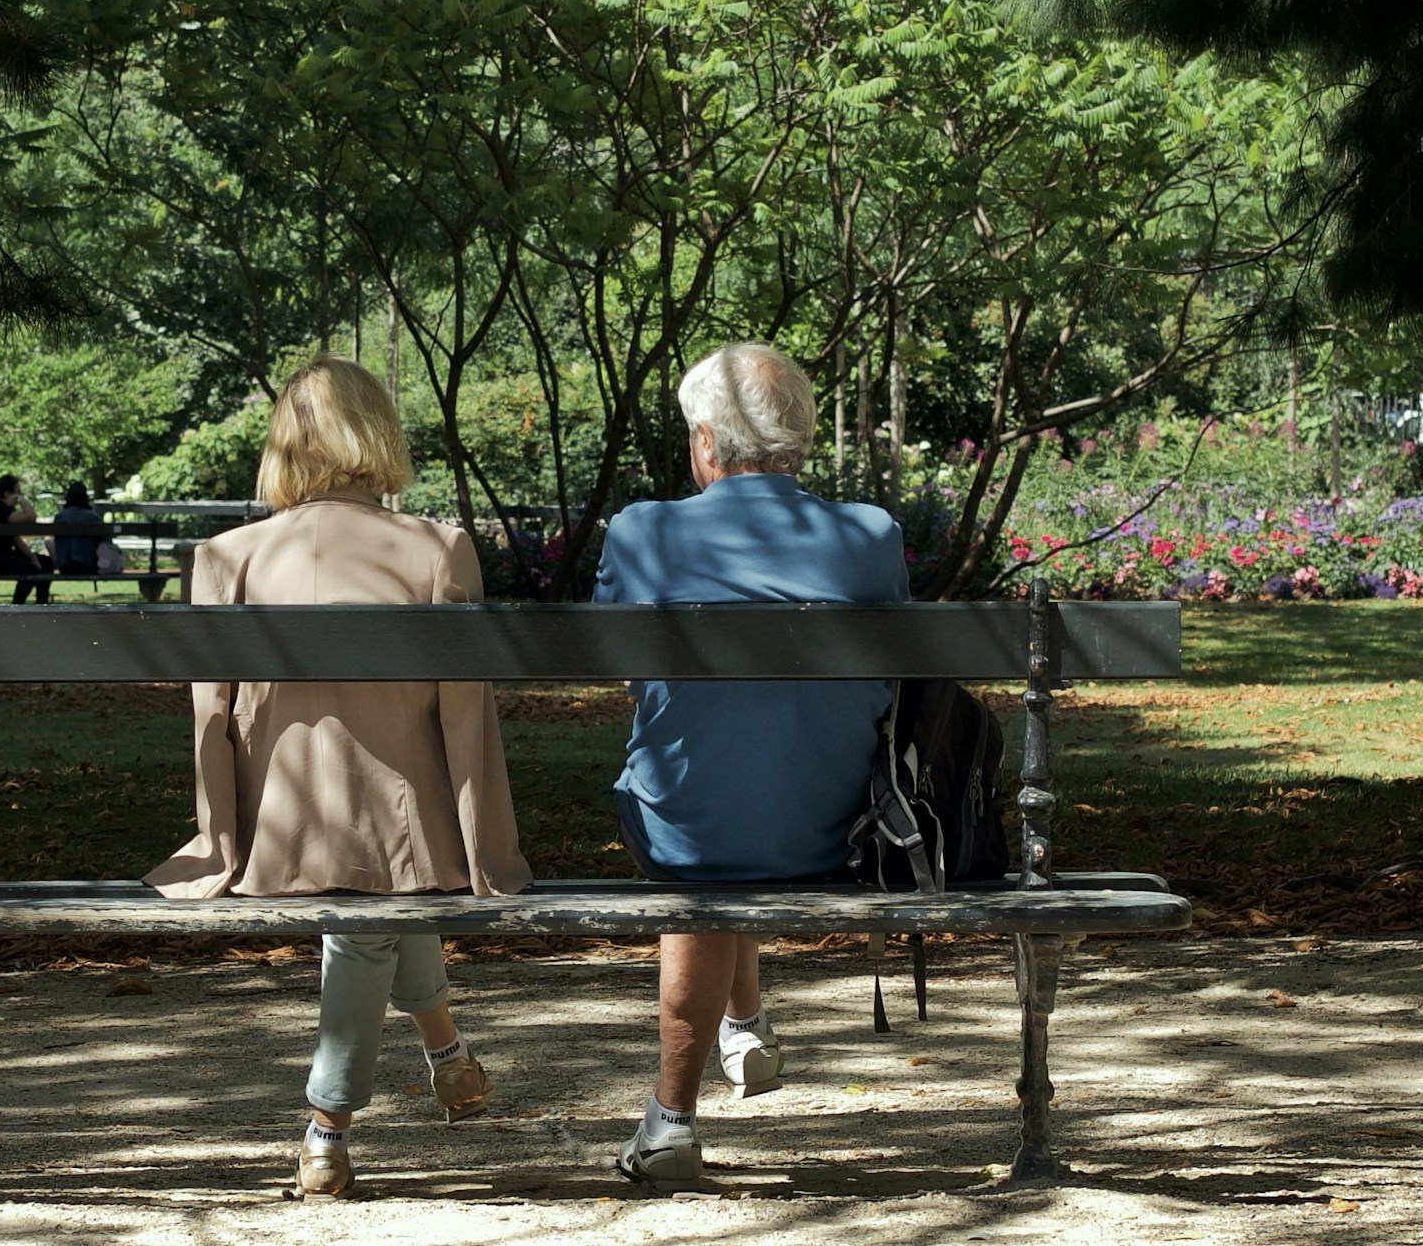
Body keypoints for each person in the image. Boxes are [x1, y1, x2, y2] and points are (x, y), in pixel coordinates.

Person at [147, 358, 529, 1200]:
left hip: (275, 841)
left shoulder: (225, 556)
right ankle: (330, 1125)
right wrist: (486, 852)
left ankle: (441, 1059)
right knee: (381, 892)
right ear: (378, 433)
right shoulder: (437, 548)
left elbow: (211, 718)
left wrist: (220, 845)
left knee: (371, 901)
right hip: (407, 830)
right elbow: (467, 720)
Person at [593, 343, 908, 1192]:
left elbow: (624, 673)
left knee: (700, 824)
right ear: (799, 436)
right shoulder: (870, 536)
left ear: (705, 442)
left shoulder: (643, 532)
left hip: (690, 833)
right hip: (836, 829)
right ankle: (745, 1023)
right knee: (740, 785)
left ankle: (670, 1123)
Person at [0, 473, 52, 604]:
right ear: (7, 494)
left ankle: (42, 604)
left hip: (4, 556)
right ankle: (17, 605)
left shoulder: (5, 510)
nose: (21, 494)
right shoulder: (0, 510)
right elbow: (31, 517)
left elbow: (17, 540)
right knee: (30, 570)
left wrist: (33, 558)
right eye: (18, 491)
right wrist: (21, 500)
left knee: (46, 563)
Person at [48, 481, 110, 579]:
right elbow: (105, 540)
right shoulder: (93, 517)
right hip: (89, 566)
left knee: (49, 542)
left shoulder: (60, 517)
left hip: (65, 567)